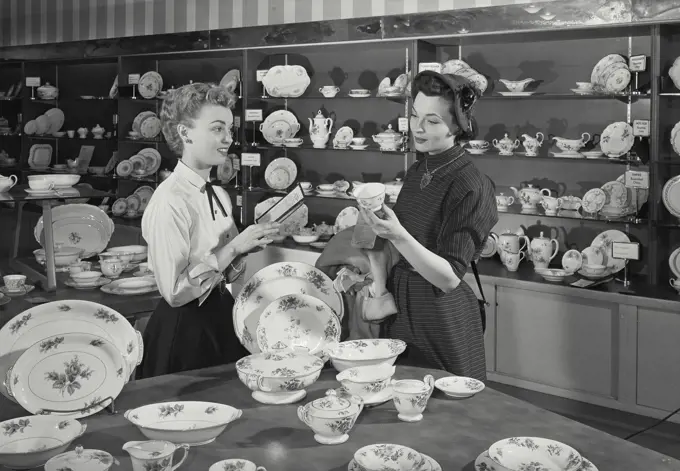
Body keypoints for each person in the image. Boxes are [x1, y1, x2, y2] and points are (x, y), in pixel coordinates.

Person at [359, 71, 498, 380]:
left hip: (442, 315)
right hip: (402, 305)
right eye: (414, 116)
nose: (418, 128)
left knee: (449, 413)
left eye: (432, 121)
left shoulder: (472, 183)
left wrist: (397, 234)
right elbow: (401, 240)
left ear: (458, 126)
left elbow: (449, 278)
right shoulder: (419, 169)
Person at [138, 82, 280, 378]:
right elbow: (175, 293)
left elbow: (223, 273)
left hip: (219, 319)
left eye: (230, 129)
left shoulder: (218, 193)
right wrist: (234, 248)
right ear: (184, 132)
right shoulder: (169, 201)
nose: (228, 138)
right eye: (217, 129)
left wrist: (246, 247)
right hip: (184, 333)